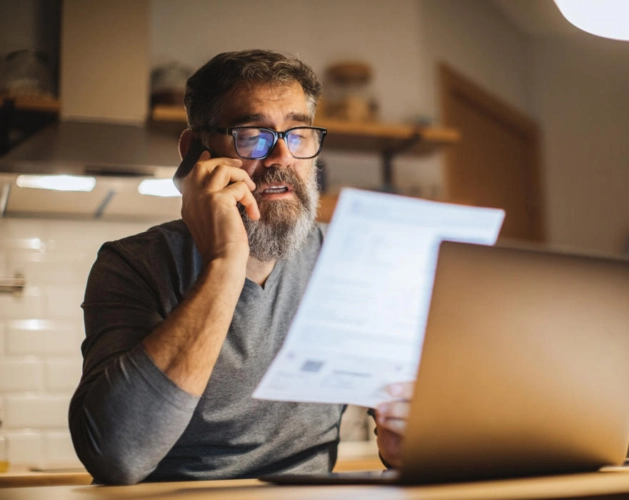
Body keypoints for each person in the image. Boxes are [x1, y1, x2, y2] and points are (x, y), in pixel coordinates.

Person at [68, 49, 411, 485]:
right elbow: (116, 456)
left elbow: (406, 431)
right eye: (252, 134)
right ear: (196, 151)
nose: (281, 157)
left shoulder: (345, 261)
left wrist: (404, 446)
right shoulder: (133, 265)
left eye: (298, 133)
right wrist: (226, 260)